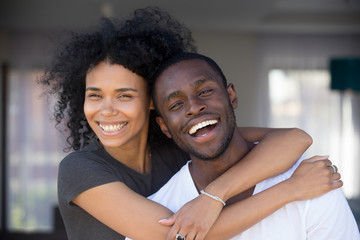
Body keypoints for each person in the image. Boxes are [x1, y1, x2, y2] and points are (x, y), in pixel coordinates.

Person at [40, 7, 341, 240]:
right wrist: (291, 190)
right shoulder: (79, 169)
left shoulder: (175, 145)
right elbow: (177, 236)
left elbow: (294, 139)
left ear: (152, 104)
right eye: (95, 96)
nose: (107, 110)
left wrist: (215, 194)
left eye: (124, 96)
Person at [146, 51, 359, 240]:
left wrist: (213, 197)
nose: (194, 107)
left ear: (231, 95)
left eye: (204, 92)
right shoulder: (161, 210)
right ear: (164, 126)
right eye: (176, 104)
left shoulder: (313, 183)